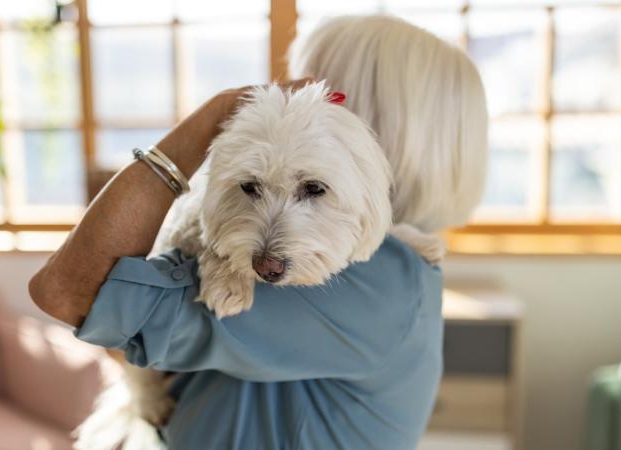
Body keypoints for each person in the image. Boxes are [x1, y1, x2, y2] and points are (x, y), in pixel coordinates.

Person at [29, 15, 487, 450]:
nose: (288, 92)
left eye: (318, 86)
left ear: (373, 126)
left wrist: (213, 117)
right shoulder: (396, 268)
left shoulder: (372, 277)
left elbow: (71, 292)